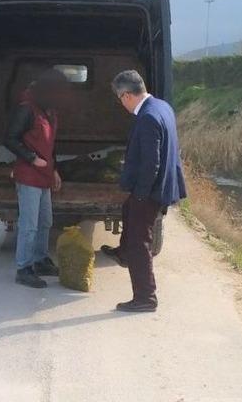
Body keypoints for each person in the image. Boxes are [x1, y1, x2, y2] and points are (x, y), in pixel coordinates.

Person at [104, 70, 186, 312]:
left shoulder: (148, 117)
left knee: (141, 241)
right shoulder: (161, 106)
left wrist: (141, 194)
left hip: (151, 190)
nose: (122, 104)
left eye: (120, 99)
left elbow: (153, 162)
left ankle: (145, 298)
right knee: (127, 211)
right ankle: (123, 253)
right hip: (155, 185)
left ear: (127, 95)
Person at [4, 69, 68, 288]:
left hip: (45, 174)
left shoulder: (48, 110)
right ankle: (24, 268)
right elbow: (10, 139)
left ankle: (40, 260)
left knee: (45, 221)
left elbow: (50, 145)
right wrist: (31, 158)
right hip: (29, 174)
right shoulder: (26, 109)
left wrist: (55, 169)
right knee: (29, 224)